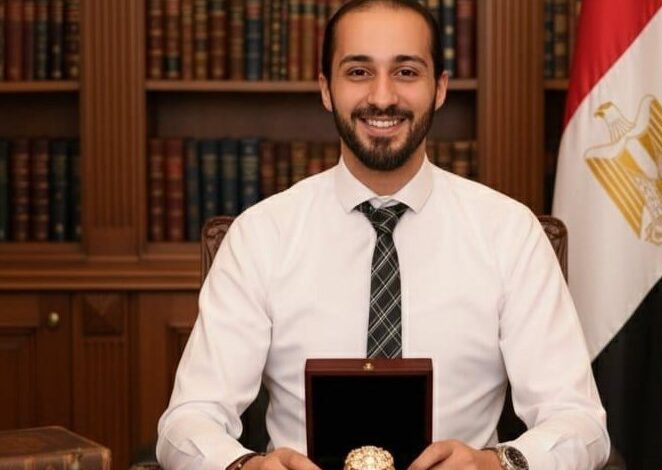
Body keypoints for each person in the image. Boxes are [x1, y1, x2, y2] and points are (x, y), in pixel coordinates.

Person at [156, 1, 611, 469]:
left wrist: (497, 464)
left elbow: (579, 422)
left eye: (406, 72)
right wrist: (246, 467)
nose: (383, 96)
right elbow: (188, 421)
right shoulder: (261, 235)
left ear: (440, 88)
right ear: (326, 89)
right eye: (358, 72)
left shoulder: (509, 233)